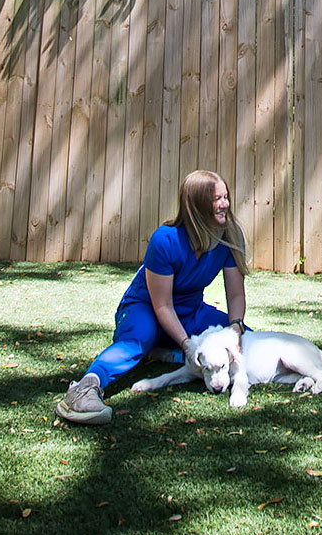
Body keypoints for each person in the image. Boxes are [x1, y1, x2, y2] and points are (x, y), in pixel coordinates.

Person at [55, 170, 249, 425]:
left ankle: (163, 353)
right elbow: (162, 305)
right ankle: (83, 390)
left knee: (249, 338)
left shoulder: (229, 236)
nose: (225, 204)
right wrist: (186, 344)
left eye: (226, 197)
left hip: (190, 310)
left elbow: (235, 293)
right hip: (144, 307)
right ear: (197, 206)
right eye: (217, 199)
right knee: (138, 340)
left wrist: (236, 327)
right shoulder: (165, 239)